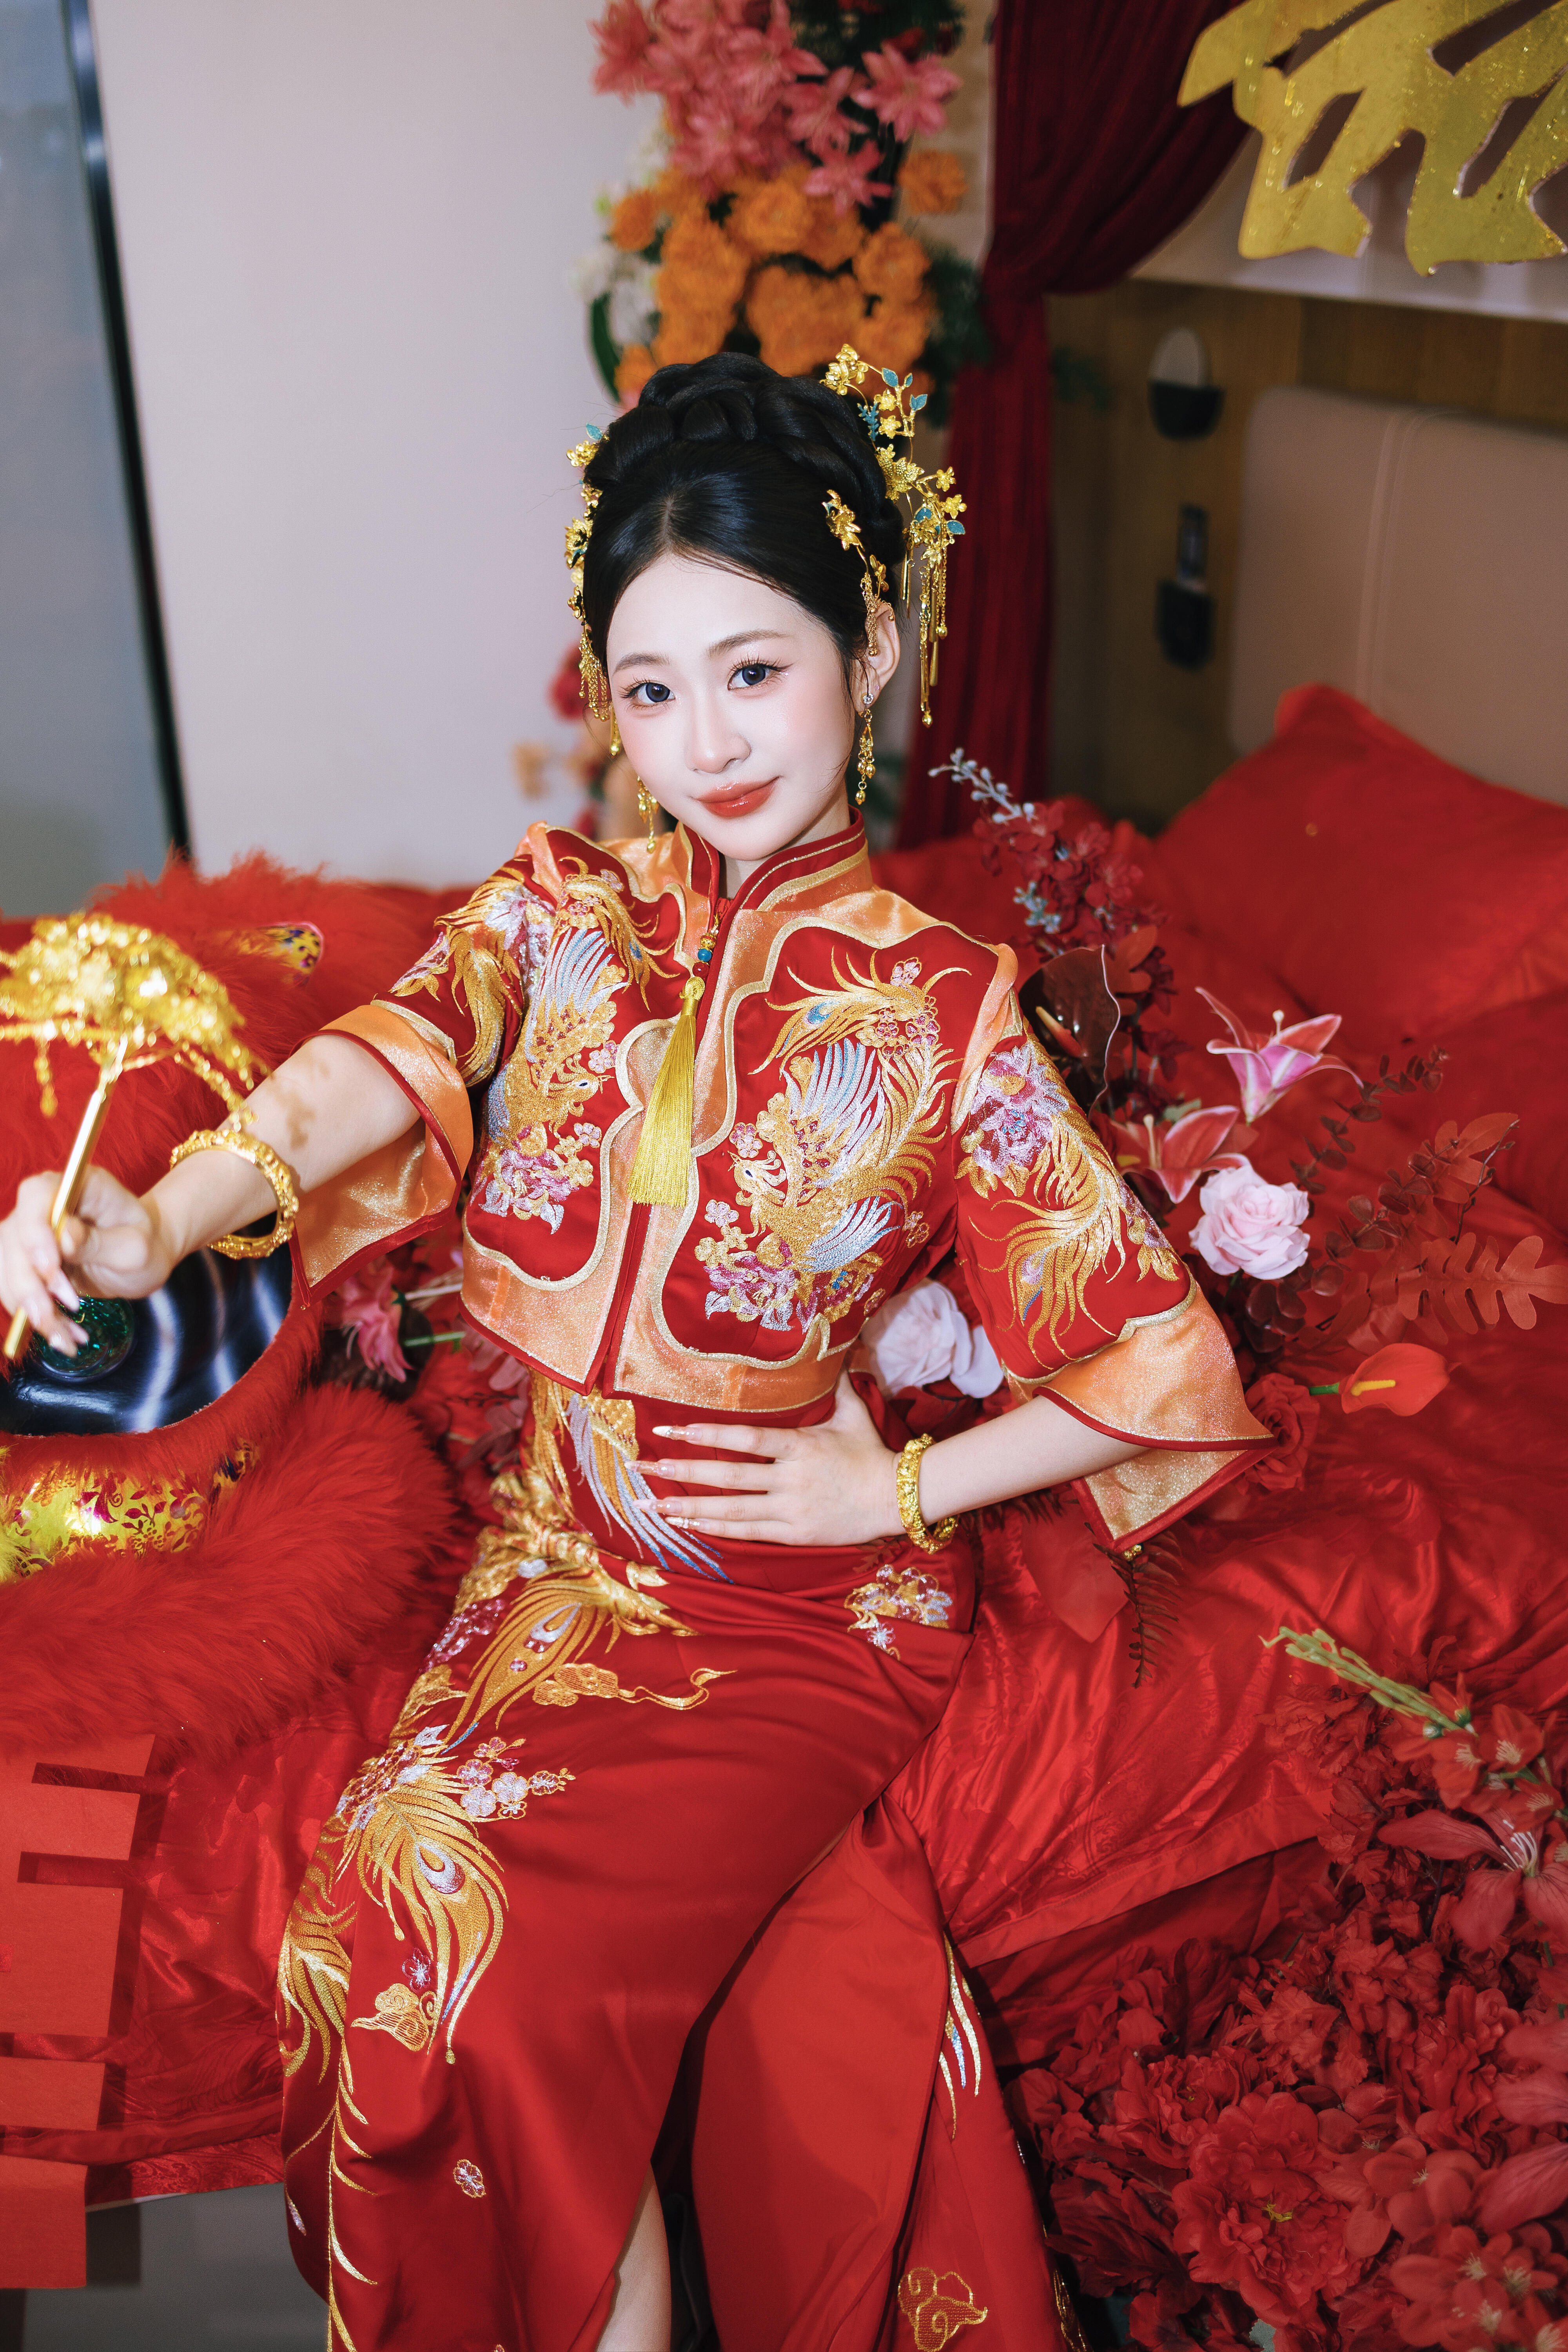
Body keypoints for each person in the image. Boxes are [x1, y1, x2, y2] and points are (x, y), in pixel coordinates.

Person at [0, 351, 1268, 2352]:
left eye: (754, 672)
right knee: (363, 1943)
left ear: (870, 648)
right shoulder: (556, 913)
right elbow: (380, 1061)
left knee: (478, 1977)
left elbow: (1159, 1363)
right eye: (651, 689)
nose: (706, 742)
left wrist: (896, 1484)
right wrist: (160, 1217)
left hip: (795, 1611)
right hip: (558, 1558)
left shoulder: (943, 1010)